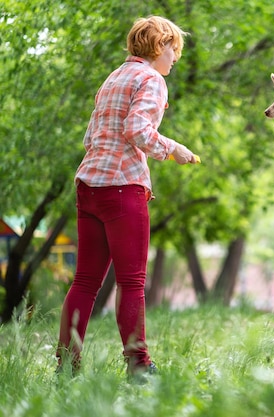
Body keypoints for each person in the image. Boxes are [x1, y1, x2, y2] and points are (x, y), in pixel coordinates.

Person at [56, 16, 198, 381]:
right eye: (173, 50)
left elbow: (92, 135)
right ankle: (139, 366)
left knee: (85, 282)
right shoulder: (151, 79)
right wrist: (173, 149)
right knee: (132, 282)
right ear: (158, 45)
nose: (175, 59)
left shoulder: (114, 77)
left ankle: (66, 369)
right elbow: (136, 129)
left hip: (89, 185)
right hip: (122, 188)